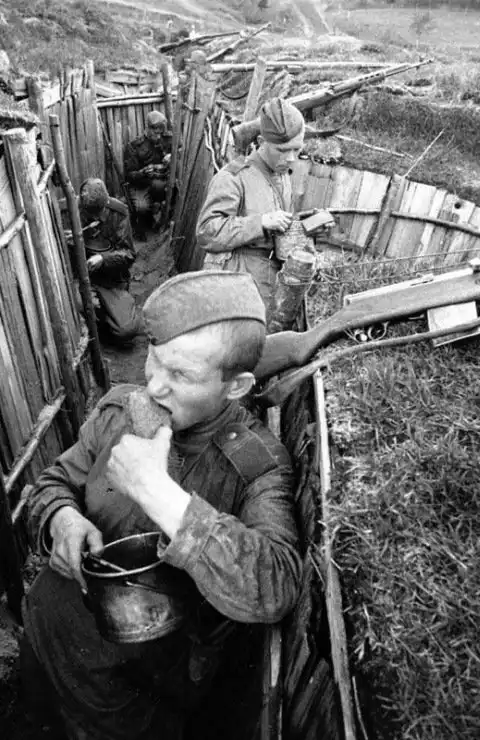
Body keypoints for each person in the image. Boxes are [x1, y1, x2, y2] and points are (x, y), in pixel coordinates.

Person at [21, 270, 302, 740]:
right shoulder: (118, 408)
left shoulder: (257, 466)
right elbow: (53, 484)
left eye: (181, 376)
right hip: (49, 630)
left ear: (235, 386)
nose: (153, 387)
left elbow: (275, 585)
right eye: (155, 360)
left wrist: (156, 491)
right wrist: (61, 518)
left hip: (132, 690)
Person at [196, 97, 306, 319]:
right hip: (234, 285)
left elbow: (280, 227)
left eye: (296, 149)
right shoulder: (233, 177)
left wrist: (304, 230)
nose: (291, 159)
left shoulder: (282, 174)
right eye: (283, 150)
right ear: (261, 141)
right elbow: (206, 232)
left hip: (267, 279)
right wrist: (261, 222)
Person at [76, 177, 140, 344]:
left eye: (100, 212)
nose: (97, 217)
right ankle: (96, 318)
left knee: (126, 330)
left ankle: (106, 317)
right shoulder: (68, 211)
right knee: (80, 308)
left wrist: (103, 259)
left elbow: (129, 254)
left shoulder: (119, 212)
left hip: (109, 280)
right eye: (91, 214)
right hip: (77, 279)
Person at [123, 110, 172, 238]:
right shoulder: (134, 146)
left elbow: (182, 148)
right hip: (140, 185)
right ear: (148, 129)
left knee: (171, 193)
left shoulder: (165, 140)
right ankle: (142, 225)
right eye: (156, 133)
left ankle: (159, 213)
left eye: (161, 133)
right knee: (142, 208)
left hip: (159, 182)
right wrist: (142, 172)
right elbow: (129, 175)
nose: (159, 137)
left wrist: (171, 156)